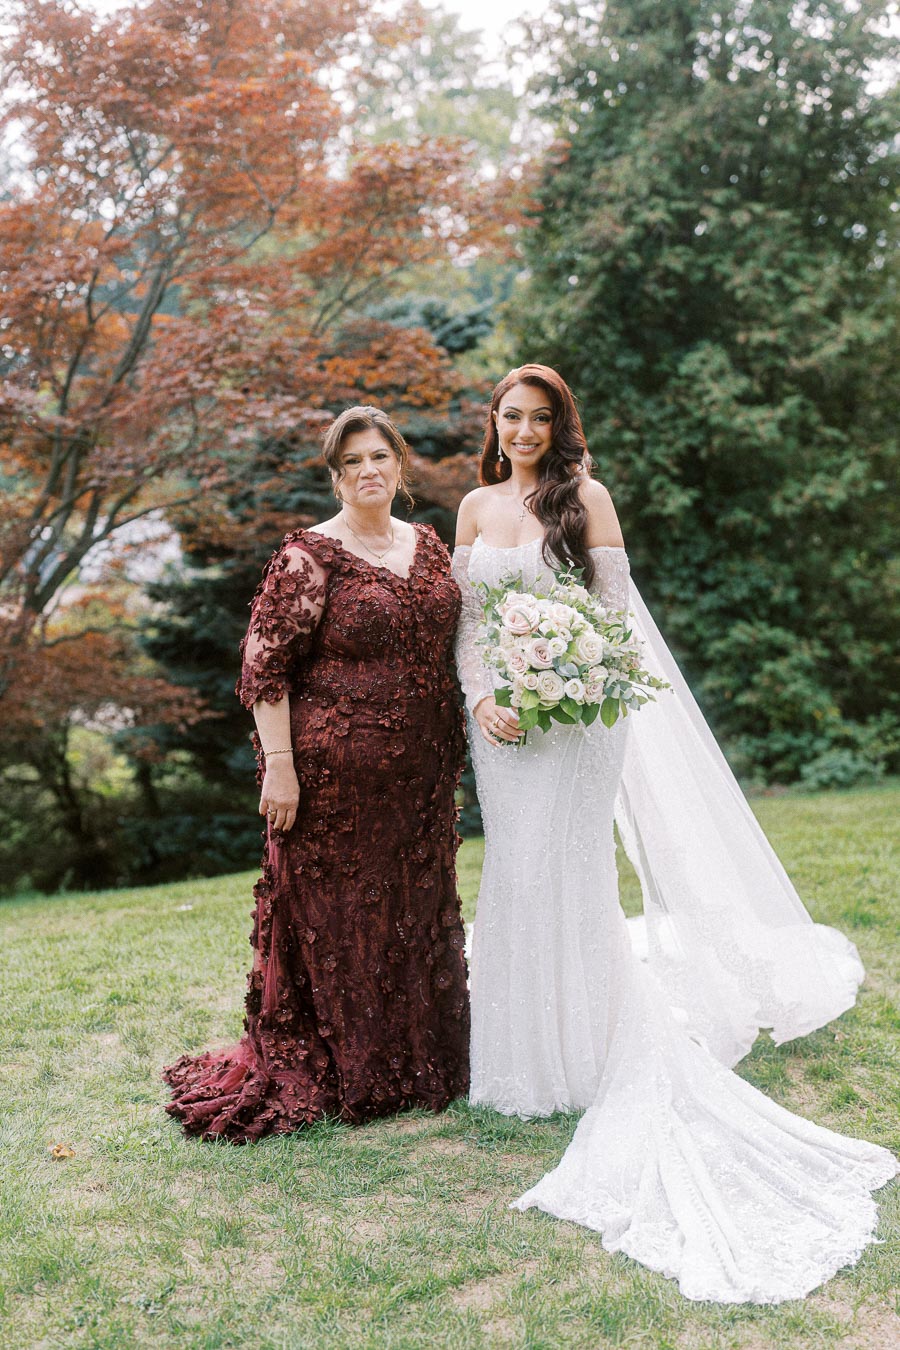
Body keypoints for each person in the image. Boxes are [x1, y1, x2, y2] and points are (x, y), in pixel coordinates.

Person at [452, 364, 896, 1303]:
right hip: (500, 728)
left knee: (568, 877)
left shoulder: (588, 498)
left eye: (540, 419)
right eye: (512, 417)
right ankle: (518, 1055)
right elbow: (468, 626)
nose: (525, 431)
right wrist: (485, 695)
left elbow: (616, 623)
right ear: (493, 423)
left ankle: (587, 1050)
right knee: (514, 879)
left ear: (558, 426)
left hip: (578, 721)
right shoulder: (473, 508)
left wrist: (559, 684)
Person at [164, 406, 469, 1141]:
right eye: (354, 461)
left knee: (410, 913)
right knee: (341, 923)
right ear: (336, 475)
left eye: (381, 457)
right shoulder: (309, 556)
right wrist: (281, 770)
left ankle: (418, 1061)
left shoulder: (429, 545)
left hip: (422, 778)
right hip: (332, 777)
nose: (370, 470)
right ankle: (349, 1066)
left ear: (400, 466)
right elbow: (263, 669)